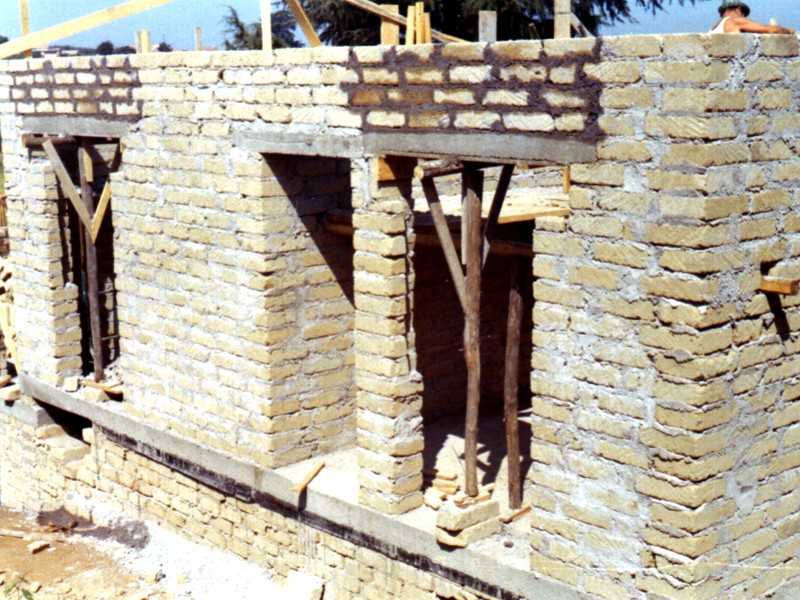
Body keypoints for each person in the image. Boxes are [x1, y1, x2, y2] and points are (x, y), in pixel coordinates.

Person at [711, 0, 795, 34]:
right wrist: (789, 31)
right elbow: (771, 30)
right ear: (738, 10)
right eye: (743, 15)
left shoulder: (714, 28)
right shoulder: (734, 21)